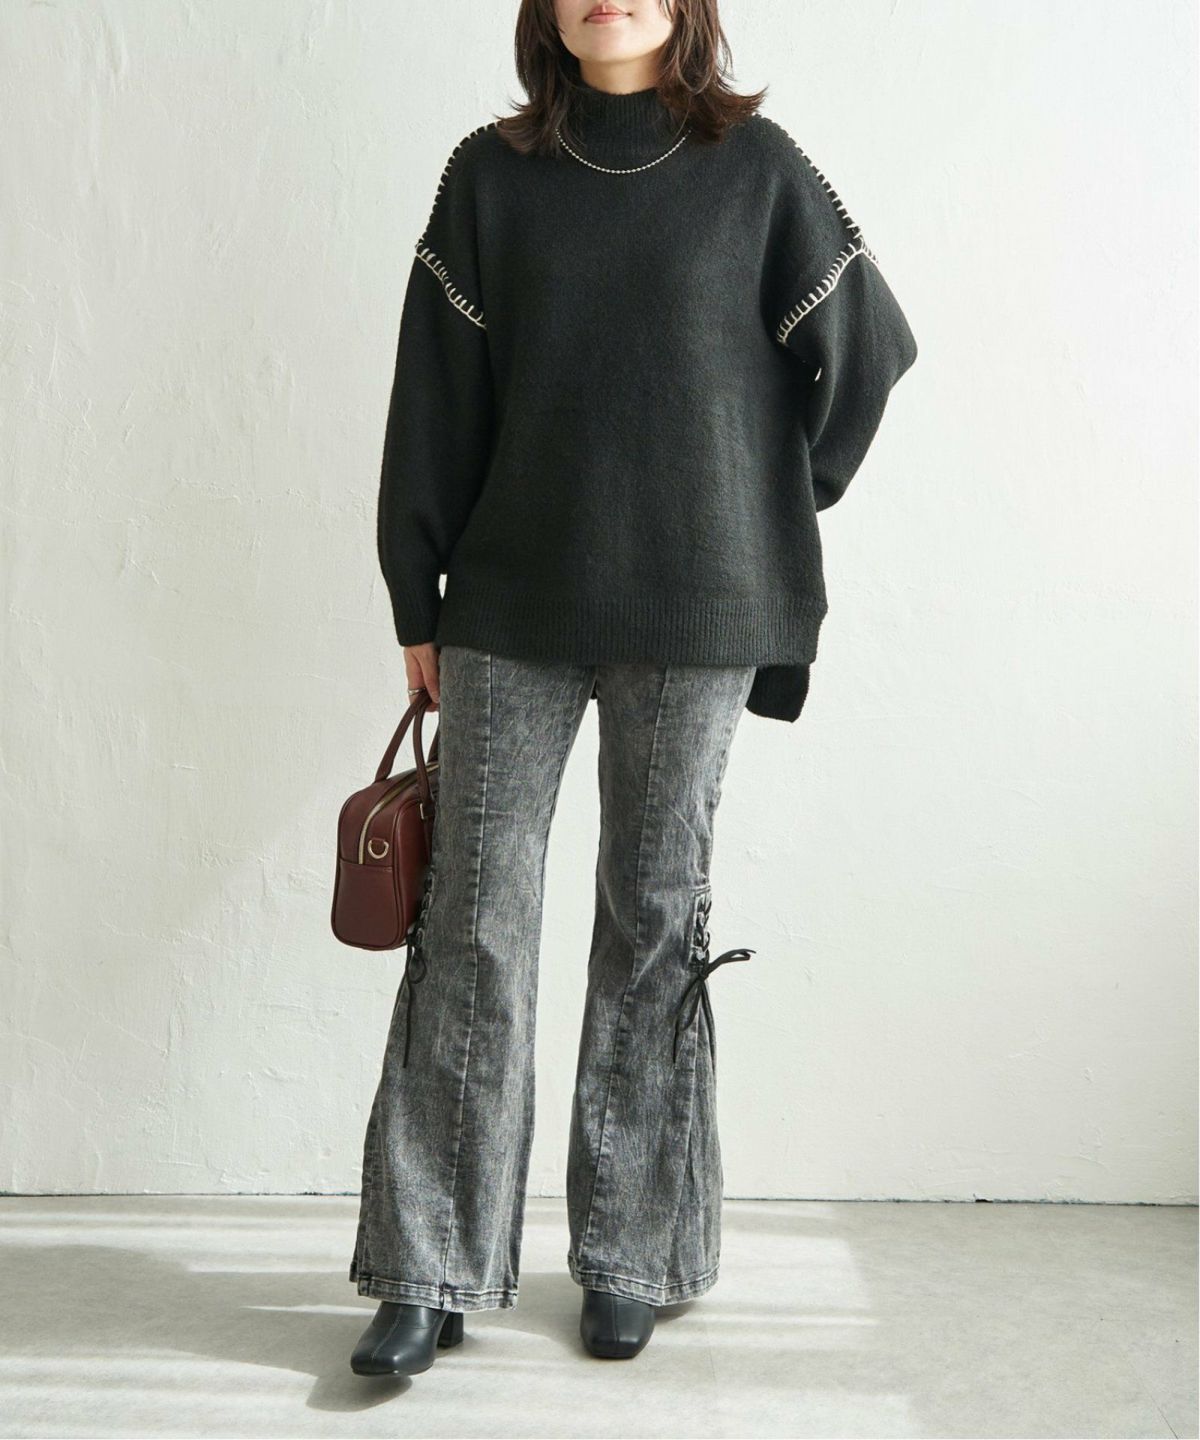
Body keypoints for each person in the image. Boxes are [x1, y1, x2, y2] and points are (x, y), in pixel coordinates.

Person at [349, 0, 917, 1376]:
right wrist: (416, 589)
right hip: (511, 604)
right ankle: (429, 1269)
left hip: (696, 606)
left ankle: (633, 1254)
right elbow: (435, 394)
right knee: (472, 919)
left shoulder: (757, 169)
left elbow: (870, 348)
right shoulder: (489, 177)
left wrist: (767, 496)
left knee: (655, 917)